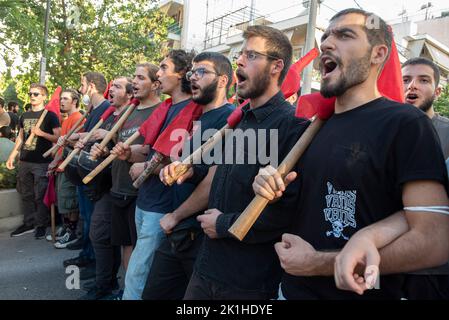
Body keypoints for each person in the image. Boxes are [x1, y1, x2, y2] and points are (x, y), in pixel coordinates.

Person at [251, 8, 449, 299]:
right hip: (288, 291)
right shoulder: (312, 129)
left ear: (378, 54)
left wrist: (319, 263)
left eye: (345, 35)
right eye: (326, 36)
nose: (327, 44)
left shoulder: (406, 124)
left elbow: (434, 240)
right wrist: (267, 185)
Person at [161, 26, 308, 300]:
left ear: (276, 66)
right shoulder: (240, 120)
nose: (239, 61)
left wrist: (224, 225)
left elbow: (288, 212)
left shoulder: (293, 127)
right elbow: (224, 176)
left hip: (247, 281)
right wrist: (190, 171)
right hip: (207, 267)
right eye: (241, 54)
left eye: (251, 56)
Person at [142, 51, 235, 300]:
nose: (193, 77)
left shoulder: (230, 119)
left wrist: (175, 216)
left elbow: (213, 181)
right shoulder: (198, 117)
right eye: (192, 72)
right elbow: (196, 170)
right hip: (178, 231)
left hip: (198, 235)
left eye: (202, 72)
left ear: (223, 81)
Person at [112, 49, 195, 300]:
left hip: (163, 204)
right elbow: (149, 150)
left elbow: (184, 164)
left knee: (140, 270)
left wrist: (149, 168)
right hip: (145, 200)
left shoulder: (193, 110)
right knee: (143, 267)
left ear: (181, 74)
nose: (158, 74)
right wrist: (129, 153)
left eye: (163, 68)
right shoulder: (167, 107)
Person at [62, 72, 110, 274]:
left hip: (95, 173)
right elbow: (89, 136)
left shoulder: (106, 109)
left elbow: (101, 139)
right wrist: (72, 138)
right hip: (83, 171)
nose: (80, 88)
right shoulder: (93, 109)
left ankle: (93, 260)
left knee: (92, 219)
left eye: (81, 84)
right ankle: (86, 253)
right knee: (85, 216)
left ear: (91, 86)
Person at [6, 84, 61, 238]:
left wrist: (41, 133)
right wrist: (12, 155)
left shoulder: (50, 116)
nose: (32, 96)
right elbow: (20, 138)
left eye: (36, 94)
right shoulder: (24, 116)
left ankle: (41, 224)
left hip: (41, 162)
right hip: (25, 160)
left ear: (44, 96)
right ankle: (28, 222)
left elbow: (58, 137)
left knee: (40, 194)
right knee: (26, 194)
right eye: (30, 93)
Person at [46, 89, 84, 248]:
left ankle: (72, 232)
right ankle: (67, 228)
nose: (61, 101)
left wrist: (57, 161)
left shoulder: (79, 118)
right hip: (62, 165)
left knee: (70, 202)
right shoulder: (67, 119)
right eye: (61, 98)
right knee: (64, 201)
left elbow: (77, 146)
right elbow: (61, 146)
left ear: (74, 101)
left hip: (70, 166)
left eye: (65, 99)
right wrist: (55, 161)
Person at [402, 57, 449, 159]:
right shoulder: (383, 127)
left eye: (423, 80)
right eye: (405, 80)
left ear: (437, 92)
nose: (412, 85)